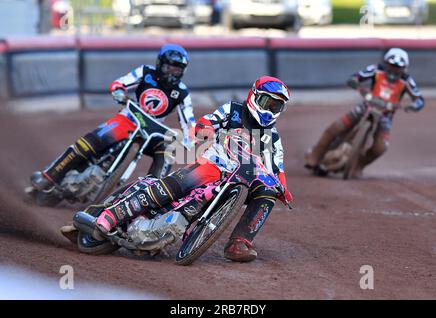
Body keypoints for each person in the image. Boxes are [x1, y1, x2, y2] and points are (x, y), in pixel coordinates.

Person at [94, 76, 294, 262]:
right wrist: (204, 128)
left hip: (243, 178)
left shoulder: (272, 137)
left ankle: (239, 243)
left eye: (276, 106)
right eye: (267, 103)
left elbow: (277, 168)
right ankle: (113, 215)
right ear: (254, 96)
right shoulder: (233, 110)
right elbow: (209, 120)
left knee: (269, 191)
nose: (269, 110)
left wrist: (284, 189)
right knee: (174, 185)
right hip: (214, 164)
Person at [31, 44, 196, 191]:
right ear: (160, 64)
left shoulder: (182, 92)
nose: (172, 74)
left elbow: (188, 120)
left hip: (155, 131)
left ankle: (149, 198)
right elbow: (121, 83)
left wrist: (191, 138)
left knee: (168, 153)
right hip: (130, 118)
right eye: (169, 68)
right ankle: (48, 177)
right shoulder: (145, 72)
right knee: (88, 144)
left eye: (177, 69)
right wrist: (119, 92)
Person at [305, 48, 425, 178]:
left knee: (381, 147)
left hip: (386, 116)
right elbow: (357, 76)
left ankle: (358, 166)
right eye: (391, 65)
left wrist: (414, 106)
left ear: (404, 68)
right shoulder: (376, 70)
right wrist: (354, 81)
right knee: (336, 127)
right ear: (386, 63)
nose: (394, 69)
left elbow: (419, 99)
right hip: (366, 106)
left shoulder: (407, 81)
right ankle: (314, 156)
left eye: (398, 67)